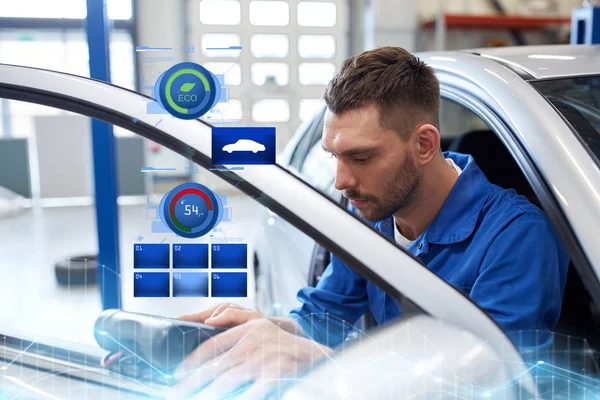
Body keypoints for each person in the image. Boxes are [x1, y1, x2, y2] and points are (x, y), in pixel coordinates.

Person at [167, 46, 569, 399]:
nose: (341, 182)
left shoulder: (516, 236)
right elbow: (325, 317)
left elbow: (496, 379)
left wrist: (329, 362)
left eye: (361, 158)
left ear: (425, 144)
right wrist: (267, 330)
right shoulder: (369, 216)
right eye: (333, 156)